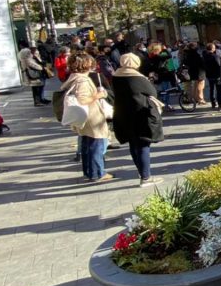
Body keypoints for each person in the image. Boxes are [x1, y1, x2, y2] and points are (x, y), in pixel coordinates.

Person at [110, 53, 165, 187]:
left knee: (133, 143)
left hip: (123, 113)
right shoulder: (136, 77)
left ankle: (141, 171)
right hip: (140, 113)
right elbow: (152, 92)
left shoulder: (116, 76)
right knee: (143, 144)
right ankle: (146, 177)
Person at [63, 54, 113, 183]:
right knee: (96, 144)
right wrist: (98, 95)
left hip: (84, 116)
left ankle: (89, 171)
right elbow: (83, 99)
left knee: (87, 144)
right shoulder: (83, 80)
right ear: (85, 65)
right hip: (91, 116)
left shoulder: (74, 78)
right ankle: (98, 173)